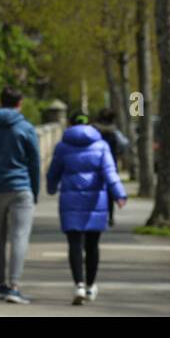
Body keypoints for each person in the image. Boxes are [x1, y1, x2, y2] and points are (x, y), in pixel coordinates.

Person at [46, 111, 128, 305]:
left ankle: (79, 285)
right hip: (95, 203)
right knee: (92, 246)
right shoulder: (101, 146)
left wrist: (50, 188)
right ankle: (91, 286)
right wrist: (119, 194)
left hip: (70, 202)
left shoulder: (63, 147)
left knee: (74, 244)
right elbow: (110, 172)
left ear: (70, 124)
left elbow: (53, 171)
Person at [0, 87, 41, 304]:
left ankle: (0, 282)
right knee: (19, 236)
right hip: (21, 188)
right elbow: (35, 163)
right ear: (19, 103)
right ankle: (14, 285)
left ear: (0, 102)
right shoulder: (26, 128)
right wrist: (34, 191)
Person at [92, 108, 131, 226]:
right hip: (111, 164)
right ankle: (110, 216)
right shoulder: (114, 132)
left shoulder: (93, 130)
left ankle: (95, 214)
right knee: (110, 191)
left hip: (95, 165)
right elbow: (124, 144)